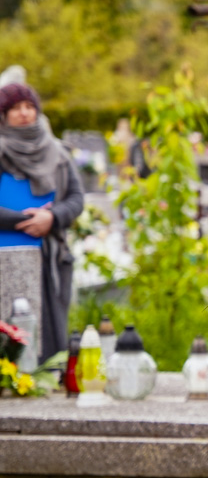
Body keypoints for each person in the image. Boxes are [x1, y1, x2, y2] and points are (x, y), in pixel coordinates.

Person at [0, 83, 84, 362]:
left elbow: (75, 198)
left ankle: (46, 377)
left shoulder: (57, 152)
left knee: (48, 333)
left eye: (29, 106)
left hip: (49, 254)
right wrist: (23, 221)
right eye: (15, 108)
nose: (24, 113)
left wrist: (51, 218)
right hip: (6, 253)